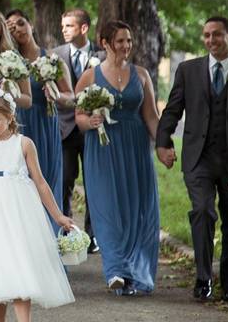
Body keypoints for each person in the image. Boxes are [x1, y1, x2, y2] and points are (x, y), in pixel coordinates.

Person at [156, 16, 228, 303]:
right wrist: (162, 142)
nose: (210, 40)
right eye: (206, 35)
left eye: (216, 35)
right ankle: (203, 278)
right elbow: (173, 109)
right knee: (203, 211)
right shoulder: (188, 70)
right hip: (199, 159)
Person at [0, 90, 75, 322]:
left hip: (19, 214)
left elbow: (41, 183)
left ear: (10, 118)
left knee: (19, 269)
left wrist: (58, 216)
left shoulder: (23, 144)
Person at [74, 20, 160, 295]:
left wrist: (164, 145)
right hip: (102, 148)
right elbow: (78, 117)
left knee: (138, 209)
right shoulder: (90, 76)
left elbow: (150, 116)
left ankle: (135, 270)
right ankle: (115, 270)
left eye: (129, 41)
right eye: (121, 41)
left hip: (135, 147)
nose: (126, 46)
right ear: (105, 43)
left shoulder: (142, 75)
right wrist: (91, 120)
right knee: (107, 207)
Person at [4, 9, 73, 230]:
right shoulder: (7, 62)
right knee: (22, 186)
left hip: (45, 127)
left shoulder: (52, 60)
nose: (18, 29)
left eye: (21, 23)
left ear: (31, 25)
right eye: (11, 27)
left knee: (47, 182)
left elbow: (71, 97)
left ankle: (50, 240)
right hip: (18, 129)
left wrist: (56, 95)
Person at [51, 8, 104, 251]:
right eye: (63, 26)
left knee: (95, 182)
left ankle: (94, 237)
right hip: (65, 129)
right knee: (64, 182)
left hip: (94, 130)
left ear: (84, 28)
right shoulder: (55, 55)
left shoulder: (101, 56)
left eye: (69, 26)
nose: (64, 30)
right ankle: (67, 234)